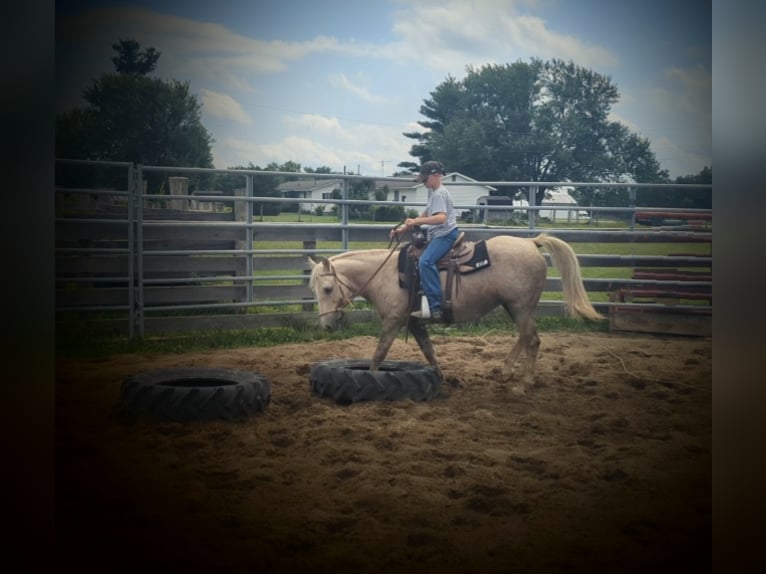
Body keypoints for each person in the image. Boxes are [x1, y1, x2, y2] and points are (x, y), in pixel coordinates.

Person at [390, 160, 458, 321]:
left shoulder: (439, 193)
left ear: (436, 175)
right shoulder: (435, 193)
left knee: (425, 262)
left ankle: (435, 307)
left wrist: (416, 222)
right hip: (441, 234)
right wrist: (403, 229)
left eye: (425, 179)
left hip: (445, 235)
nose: (424, 183)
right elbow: (423, 216)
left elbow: (441, 218)